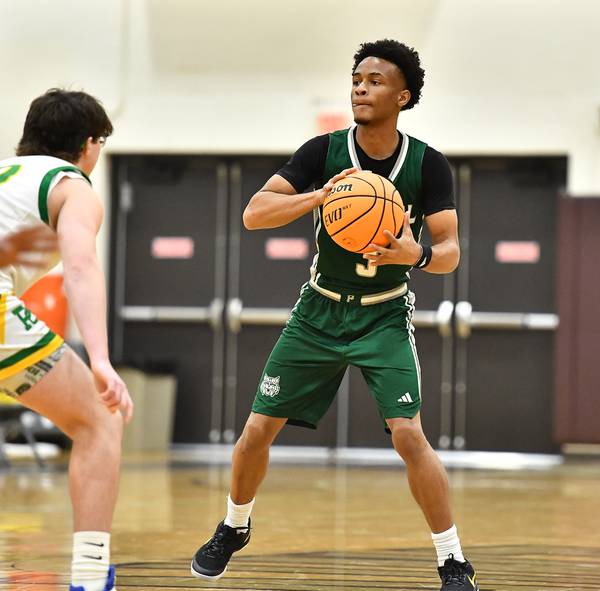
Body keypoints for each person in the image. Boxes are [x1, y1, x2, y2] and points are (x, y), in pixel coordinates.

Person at [191, 40, 478, 591]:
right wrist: (318, 198)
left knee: (409, 437)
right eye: (356, 79)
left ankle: (452, 560)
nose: (361, 88)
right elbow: (254, 214)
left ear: (403, 95)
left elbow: (449, 253)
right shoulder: (322, 151)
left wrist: (411, 254)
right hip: (318, 312)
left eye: (374, 80)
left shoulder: (426, 164)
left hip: (383, 316)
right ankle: (234, 525)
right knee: (255, 431)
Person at [0, 88, 134, 591]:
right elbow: (80, 267)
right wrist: (99, 359)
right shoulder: (72, 185)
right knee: (102, 417)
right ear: (89, 143)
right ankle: (90, 572)